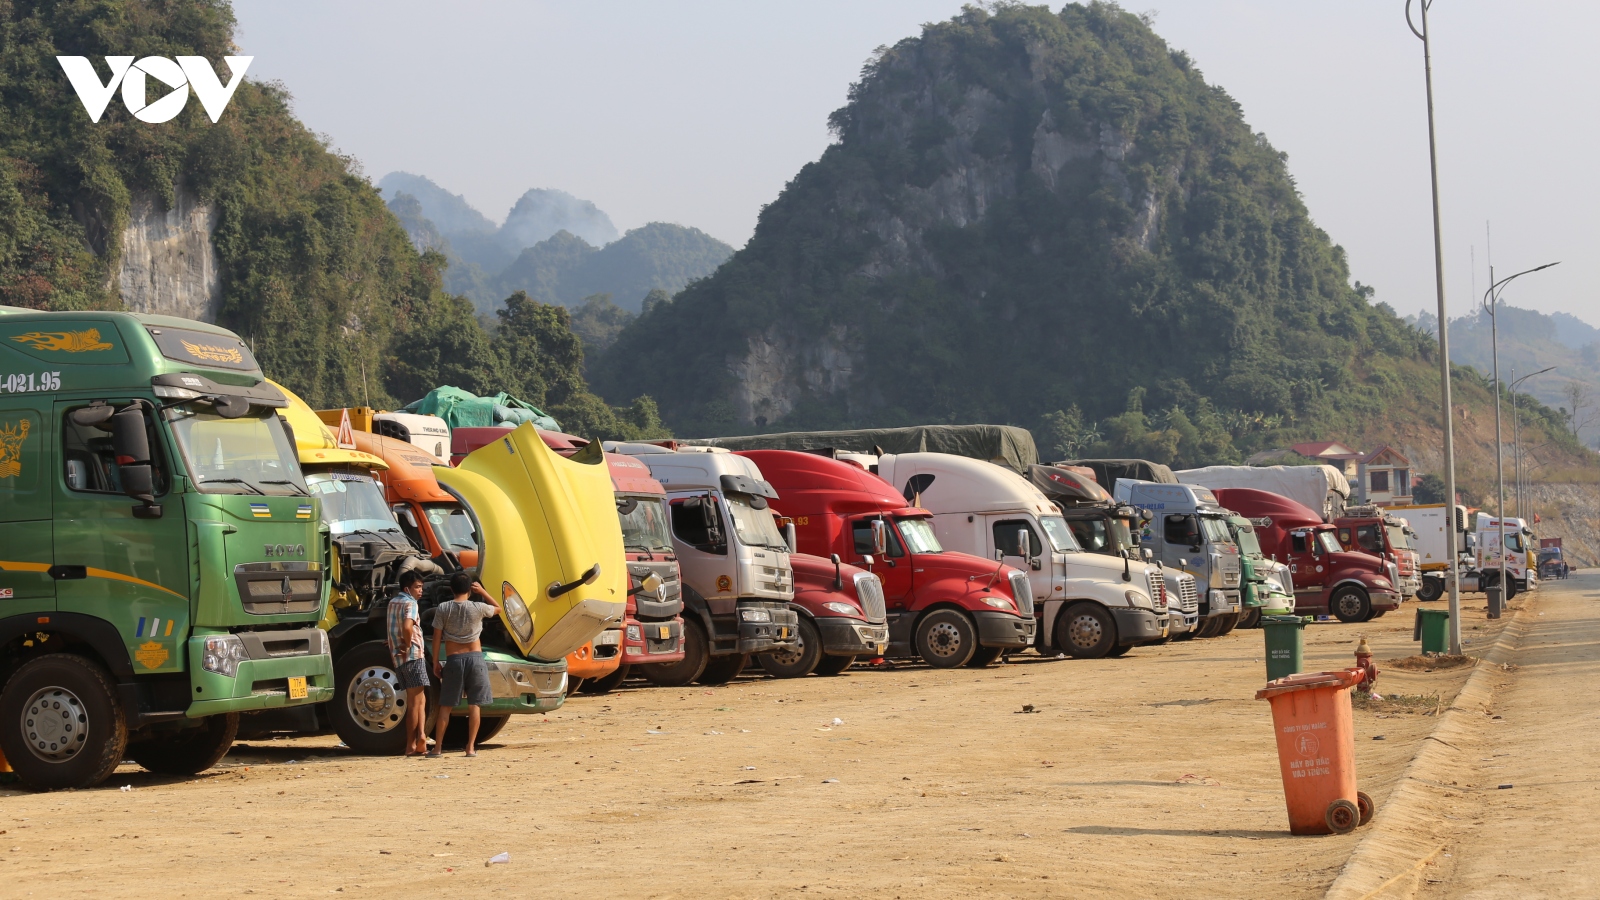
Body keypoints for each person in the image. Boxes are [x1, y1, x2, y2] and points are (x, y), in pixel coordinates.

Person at [429, 572, 501, 757]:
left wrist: (436, 661)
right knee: (474, 705)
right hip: (476, 659)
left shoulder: (443, 608)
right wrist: (483, 592)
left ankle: (437, 748)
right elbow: (498, 608)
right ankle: (470, 748)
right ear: (470, 589)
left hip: (454, 659)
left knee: (446, 706)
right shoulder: (478, 607)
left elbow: (437, 637)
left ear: (451, 589)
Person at [386, 570, 431, 756]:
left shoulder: (392, 602)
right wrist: (406, 642)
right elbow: (406, 626)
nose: (421, 591)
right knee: (415, 701)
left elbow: (392, 627)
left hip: (398, 658)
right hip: (412, 654)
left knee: (420, 699)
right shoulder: (410, 603)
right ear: (407, 588)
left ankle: (421, 737)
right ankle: (411, 744)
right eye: (417, 587)